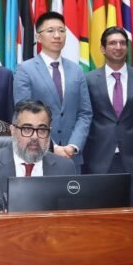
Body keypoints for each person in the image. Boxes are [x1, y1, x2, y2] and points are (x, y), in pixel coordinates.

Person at [0, 99, 78, 212]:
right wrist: (0, 219)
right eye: (27, 129)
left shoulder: (65, 167)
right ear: (13, 131)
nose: (34, 137)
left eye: (42, 130)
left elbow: (76, 211)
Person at [83, 27, 133, 206]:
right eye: (113, 43)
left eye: (122, 43)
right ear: (103, 48)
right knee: (100, 213)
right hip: (98, 158)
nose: (118, 47)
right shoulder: (89, 79)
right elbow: (85, 115)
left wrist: (130, 134)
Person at [13, 11, 92, 166]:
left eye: (61, 30)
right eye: (50, 31)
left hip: (72, 157)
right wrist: (52, 147)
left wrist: (73, 145)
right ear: (38, 37)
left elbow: (85, 113)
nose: (57, 35)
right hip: (39, 154)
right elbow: (23, 114)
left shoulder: (77, 70)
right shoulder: (25, 70)